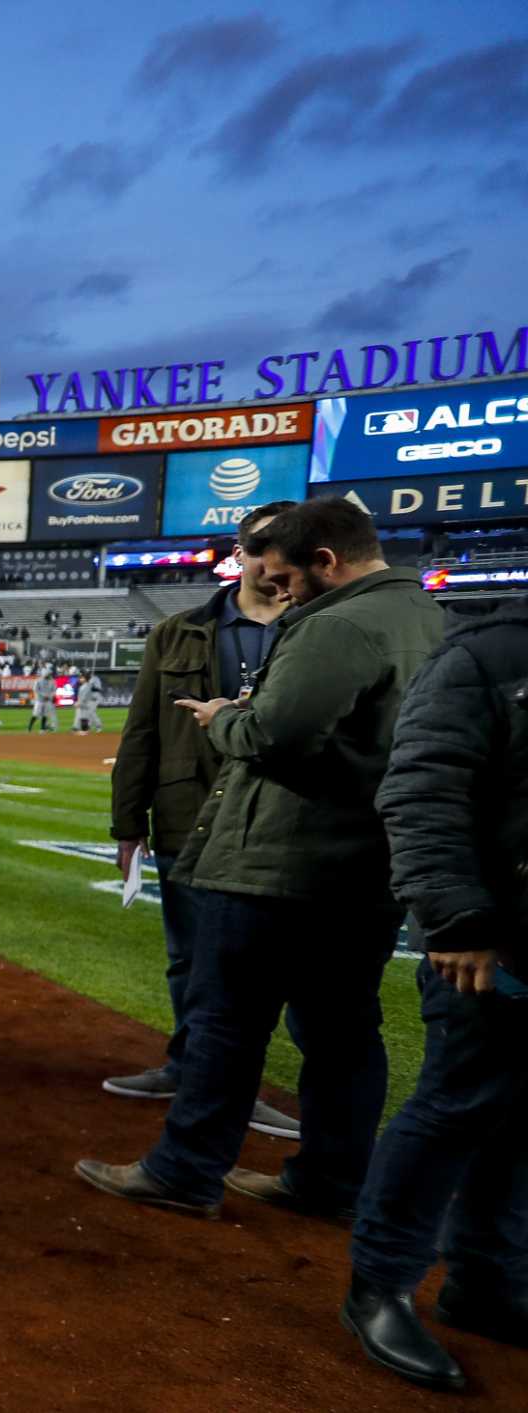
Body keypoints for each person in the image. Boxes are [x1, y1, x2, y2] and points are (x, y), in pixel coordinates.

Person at [77, 499, 445, 1221]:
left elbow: (276, 736)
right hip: (364, 864)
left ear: (327, 561)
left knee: (225, 1022)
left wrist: (224, 718)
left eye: (287, 576)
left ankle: (186, 1169)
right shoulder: (423, 616)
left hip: (283, 861)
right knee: (343, 1034)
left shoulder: (337, 621)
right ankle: (331, 1180)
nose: (282, 591)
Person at [341, 593, 528, 1392]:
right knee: (457, 1100)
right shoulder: (489, 656)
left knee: (516, 1114)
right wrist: (453, 917)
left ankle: (486, 1281)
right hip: (493, 936)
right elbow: (419, 790)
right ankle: (379, 1285)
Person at [104, 501, 301, 1143]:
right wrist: (126, 825)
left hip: (278, 824)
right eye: (265, 551)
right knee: (188, 956)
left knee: (259, 968)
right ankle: (187, 1066)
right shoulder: (178, 631)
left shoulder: (320, 628)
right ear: (240, 553)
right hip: (188, 816)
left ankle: (234, 1085)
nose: (277, 567)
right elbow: (140, 734)